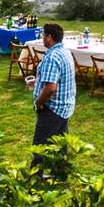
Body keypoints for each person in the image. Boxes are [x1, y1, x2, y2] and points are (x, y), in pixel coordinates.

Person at [30, 22, 76, 165]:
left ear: (49, 37)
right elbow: (58, 78)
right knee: (61, 144)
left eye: (43, 35)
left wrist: (39, 102)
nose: (42, 38)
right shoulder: (65, 52)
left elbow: (50, 88)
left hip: (52, 109)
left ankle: (35, 178)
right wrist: (37, 83)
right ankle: (62, 174)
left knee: (40, 146)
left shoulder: (52, 57)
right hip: (65, 107)